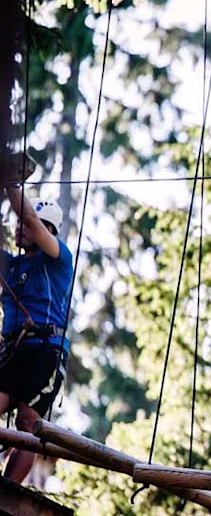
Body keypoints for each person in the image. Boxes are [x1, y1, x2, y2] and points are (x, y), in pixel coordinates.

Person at [0, 183, 73, 483]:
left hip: (46, 352)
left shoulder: (57, 259)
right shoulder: (12, 265)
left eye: (29, 225)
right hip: (15, 352)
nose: (21, 228)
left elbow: (29, 217)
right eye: (18, 225)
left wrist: (8, 181)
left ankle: (8, 489)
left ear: (49, 232)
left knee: (28, 422)